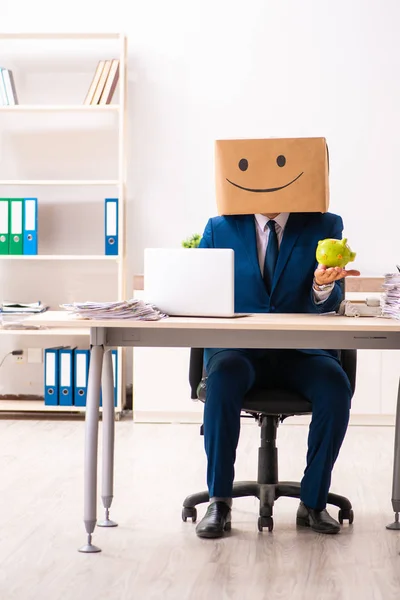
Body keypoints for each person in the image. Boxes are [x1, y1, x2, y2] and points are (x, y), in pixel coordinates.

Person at [195, 209, 360, 538]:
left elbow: (330, 302)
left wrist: (321, 286)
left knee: (334, 386)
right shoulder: (219, 227)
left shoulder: (325, 225)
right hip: (239, 352)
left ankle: (313, 503)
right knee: (224, 378)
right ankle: (219, 501)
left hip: (301, 352)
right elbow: (198, 288)